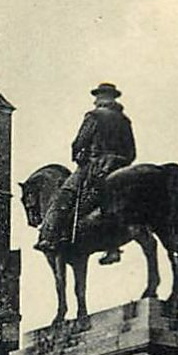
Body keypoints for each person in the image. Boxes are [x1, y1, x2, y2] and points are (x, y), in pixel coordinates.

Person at [36, 82, 137, 265]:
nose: (97, 100)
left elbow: (79, 142)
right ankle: (113, 248)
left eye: (98, 96)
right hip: (120, 166)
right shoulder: (124, 120)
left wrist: (78, 156)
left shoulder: (94, 116)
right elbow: (132, 151)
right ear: (114, 99)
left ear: (100, 98)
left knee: (63, 195)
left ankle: (50, 238)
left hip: (96, 165)